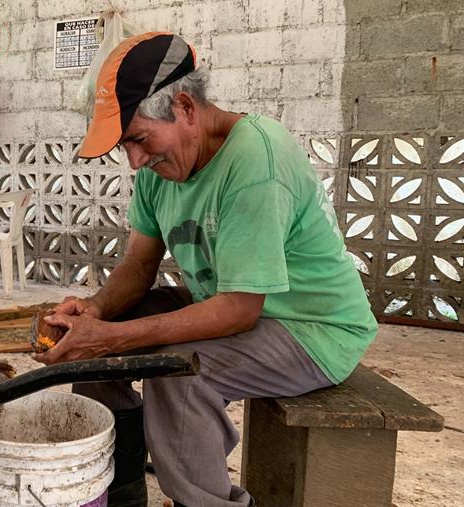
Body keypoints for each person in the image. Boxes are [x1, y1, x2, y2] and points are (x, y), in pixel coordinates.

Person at [33, 32, 378, 507]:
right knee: (97, 340)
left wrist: (114, 338)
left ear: (185, 108)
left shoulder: (256, 159)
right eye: (123, 147)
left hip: (310, 328)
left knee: (179, 373)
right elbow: (138, 263)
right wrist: (96, 311)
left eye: (137, 139)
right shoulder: (161, 168)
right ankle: (120, 490)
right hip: (227, 303)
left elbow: (238, 311)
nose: (135, 162)